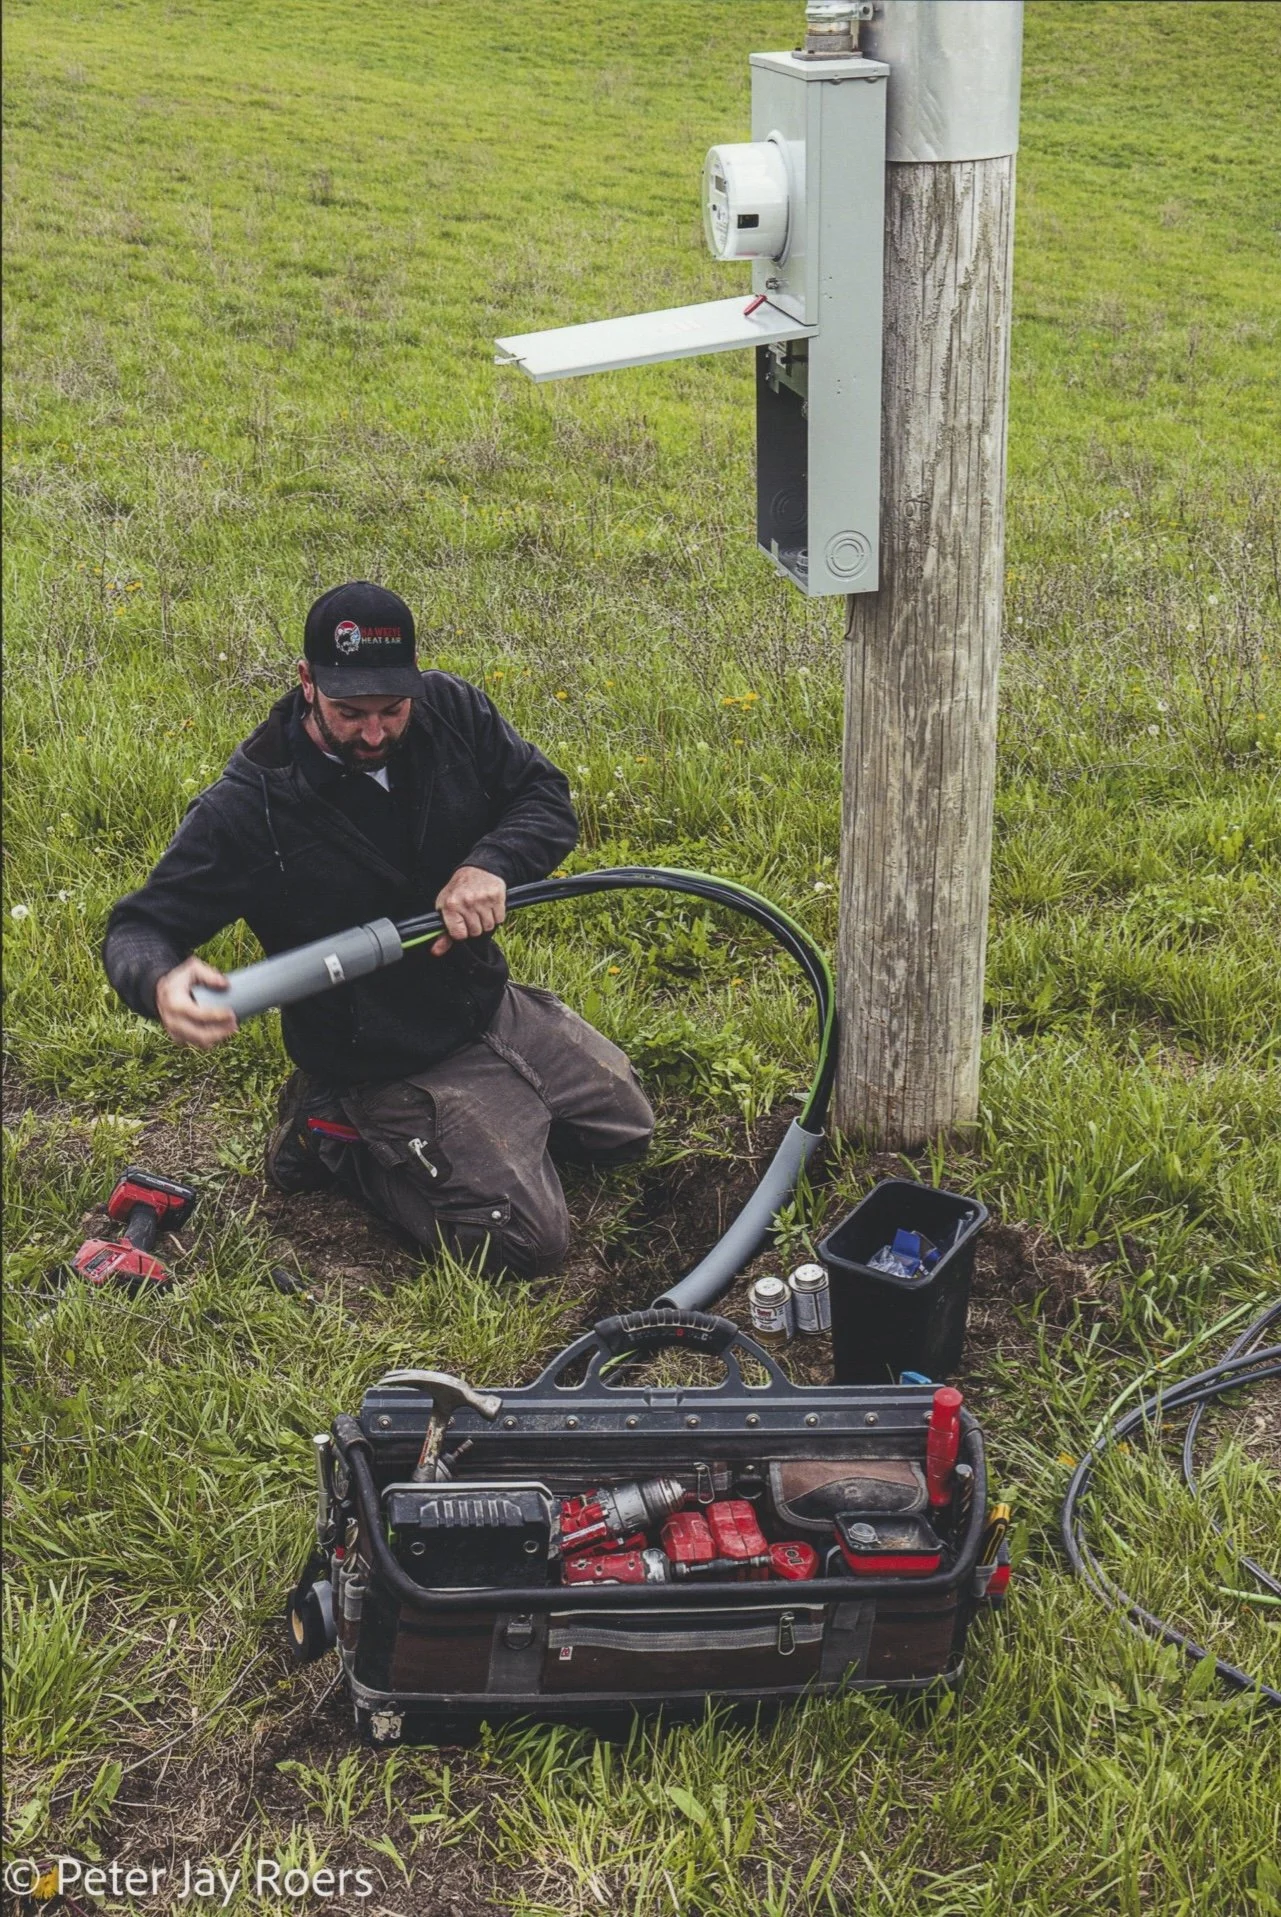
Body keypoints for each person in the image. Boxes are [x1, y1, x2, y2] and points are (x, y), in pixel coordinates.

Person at [103, 581, 654, 1277]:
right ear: (307, 682)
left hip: (483, 1000)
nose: (374, 732)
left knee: (625, 1131)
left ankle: (498, 1102)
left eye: (391, 710)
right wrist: (160, 979)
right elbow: (138, 926)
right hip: (381, 1056)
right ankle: (333, 1132)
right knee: (524, 1244)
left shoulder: (452, 711)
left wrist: (492, 863)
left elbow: (542, 795)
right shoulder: (251, 807)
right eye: (350, 712)